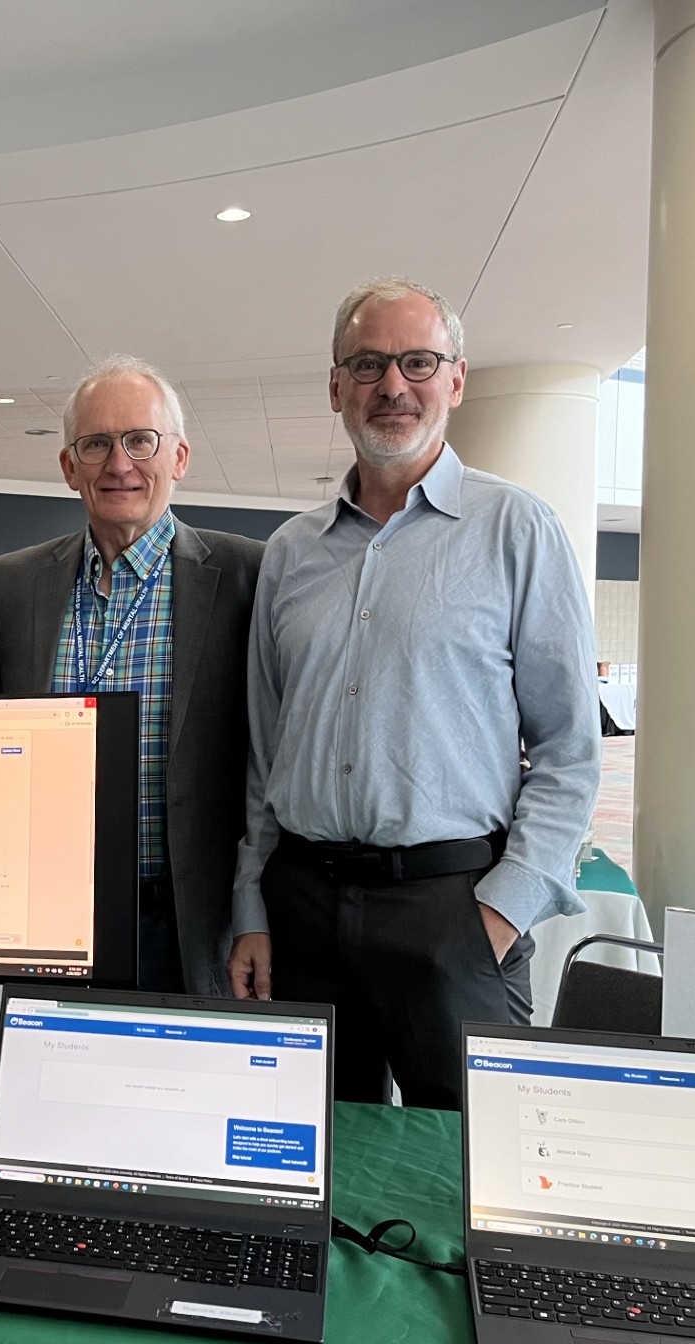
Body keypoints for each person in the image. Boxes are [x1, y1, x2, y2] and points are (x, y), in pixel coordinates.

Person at [228, 276, 600, 1110]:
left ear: (456, 380)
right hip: (304, 908)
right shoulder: (291, 553)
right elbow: (265, 749)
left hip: (454, 906)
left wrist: (498, 916)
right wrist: (252, 904)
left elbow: (571, 752)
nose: (392, 385)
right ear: (335, 387)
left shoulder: (518, 530)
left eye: (417, 362)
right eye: (366, 364)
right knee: (310, 1159)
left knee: (471, 1174)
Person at [0, 355, 263, 996]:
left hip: (190, 921)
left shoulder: (247, 576)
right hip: (51, 915)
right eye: (96, 444)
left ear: (179, 457)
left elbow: (271, 761)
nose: (119, 463)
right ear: (67, 467)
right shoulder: (14, 582)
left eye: (141, 440)